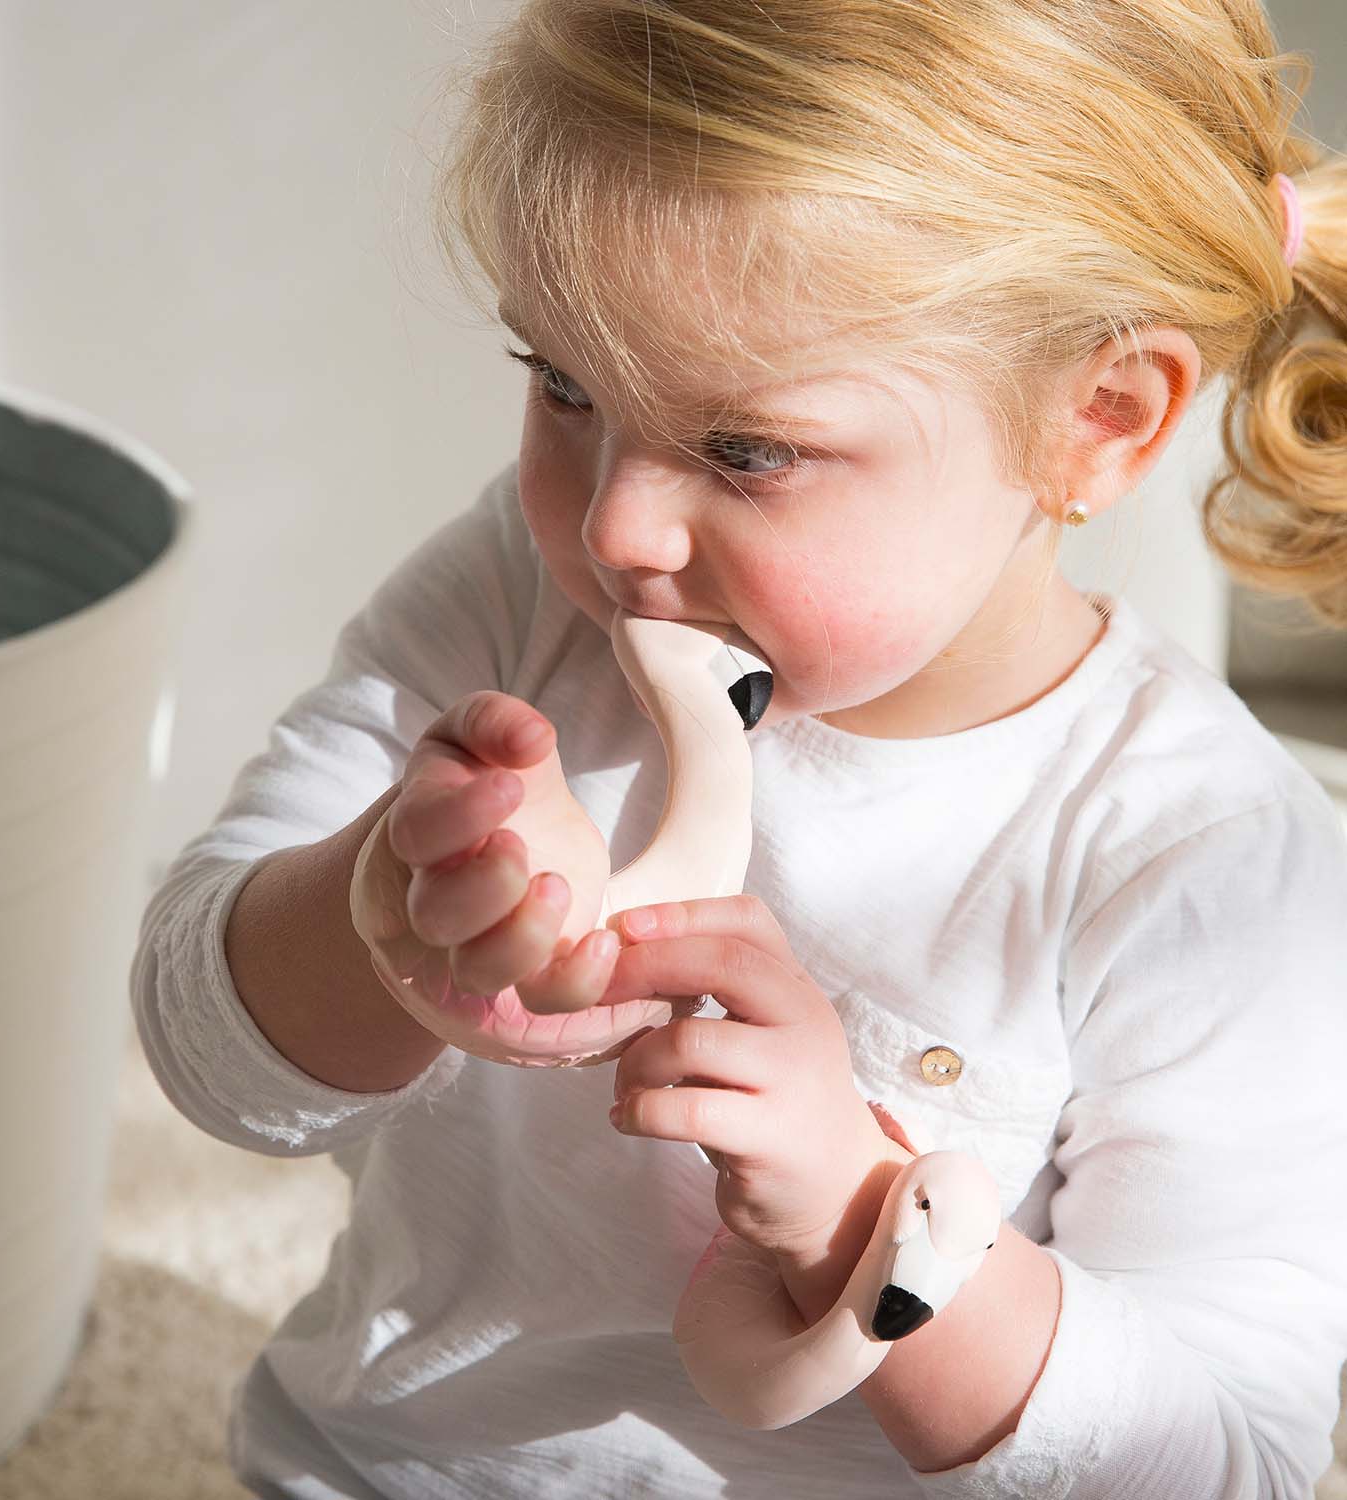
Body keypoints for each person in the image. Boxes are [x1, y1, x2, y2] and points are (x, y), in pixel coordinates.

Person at [129, 3, 1347, 1496]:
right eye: (565, 388)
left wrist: (861, 1215)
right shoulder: (520, 603)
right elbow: (202, 1056)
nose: (613, 527)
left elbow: (1232, 1463)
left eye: (746, 450)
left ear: (1097, 419)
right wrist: (384, 908)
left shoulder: (1207, 867)